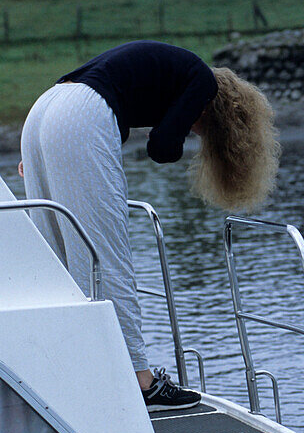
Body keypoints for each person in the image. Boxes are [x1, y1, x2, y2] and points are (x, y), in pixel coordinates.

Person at [19, 40, 280, 411]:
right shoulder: (201, 83)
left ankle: (68, 365)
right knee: (108, 258)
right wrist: (176, 121)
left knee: (58, 254)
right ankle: (144, 383)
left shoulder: (172, 71)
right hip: (80, 116)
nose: (197, 134)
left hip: (46, 108)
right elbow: (162, 147)